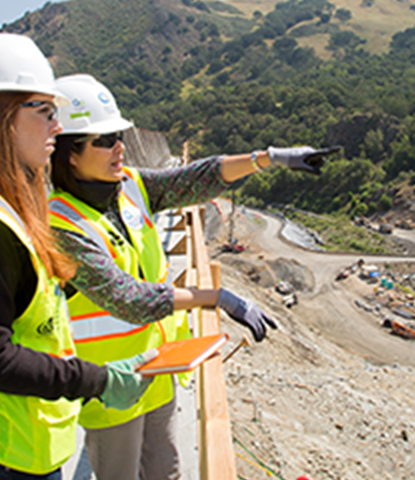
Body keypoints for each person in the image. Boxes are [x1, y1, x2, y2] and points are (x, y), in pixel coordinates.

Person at [48, 74, 338, 480]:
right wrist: (215, 297)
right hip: (111, 385)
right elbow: (128, 299)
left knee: (167, 472)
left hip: (159, 367)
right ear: (69, 154)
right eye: (104, 139)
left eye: (119, 135)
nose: (120, 147)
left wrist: (271, 157)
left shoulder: (130, 186)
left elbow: (197, 179)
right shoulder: (59, 225)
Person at [0, 34, 153, 480]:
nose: (58, 127)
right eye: (45, 111)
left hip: (14, 445)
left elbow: (21, 306)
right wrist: (94, 379)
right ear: (0, 117)